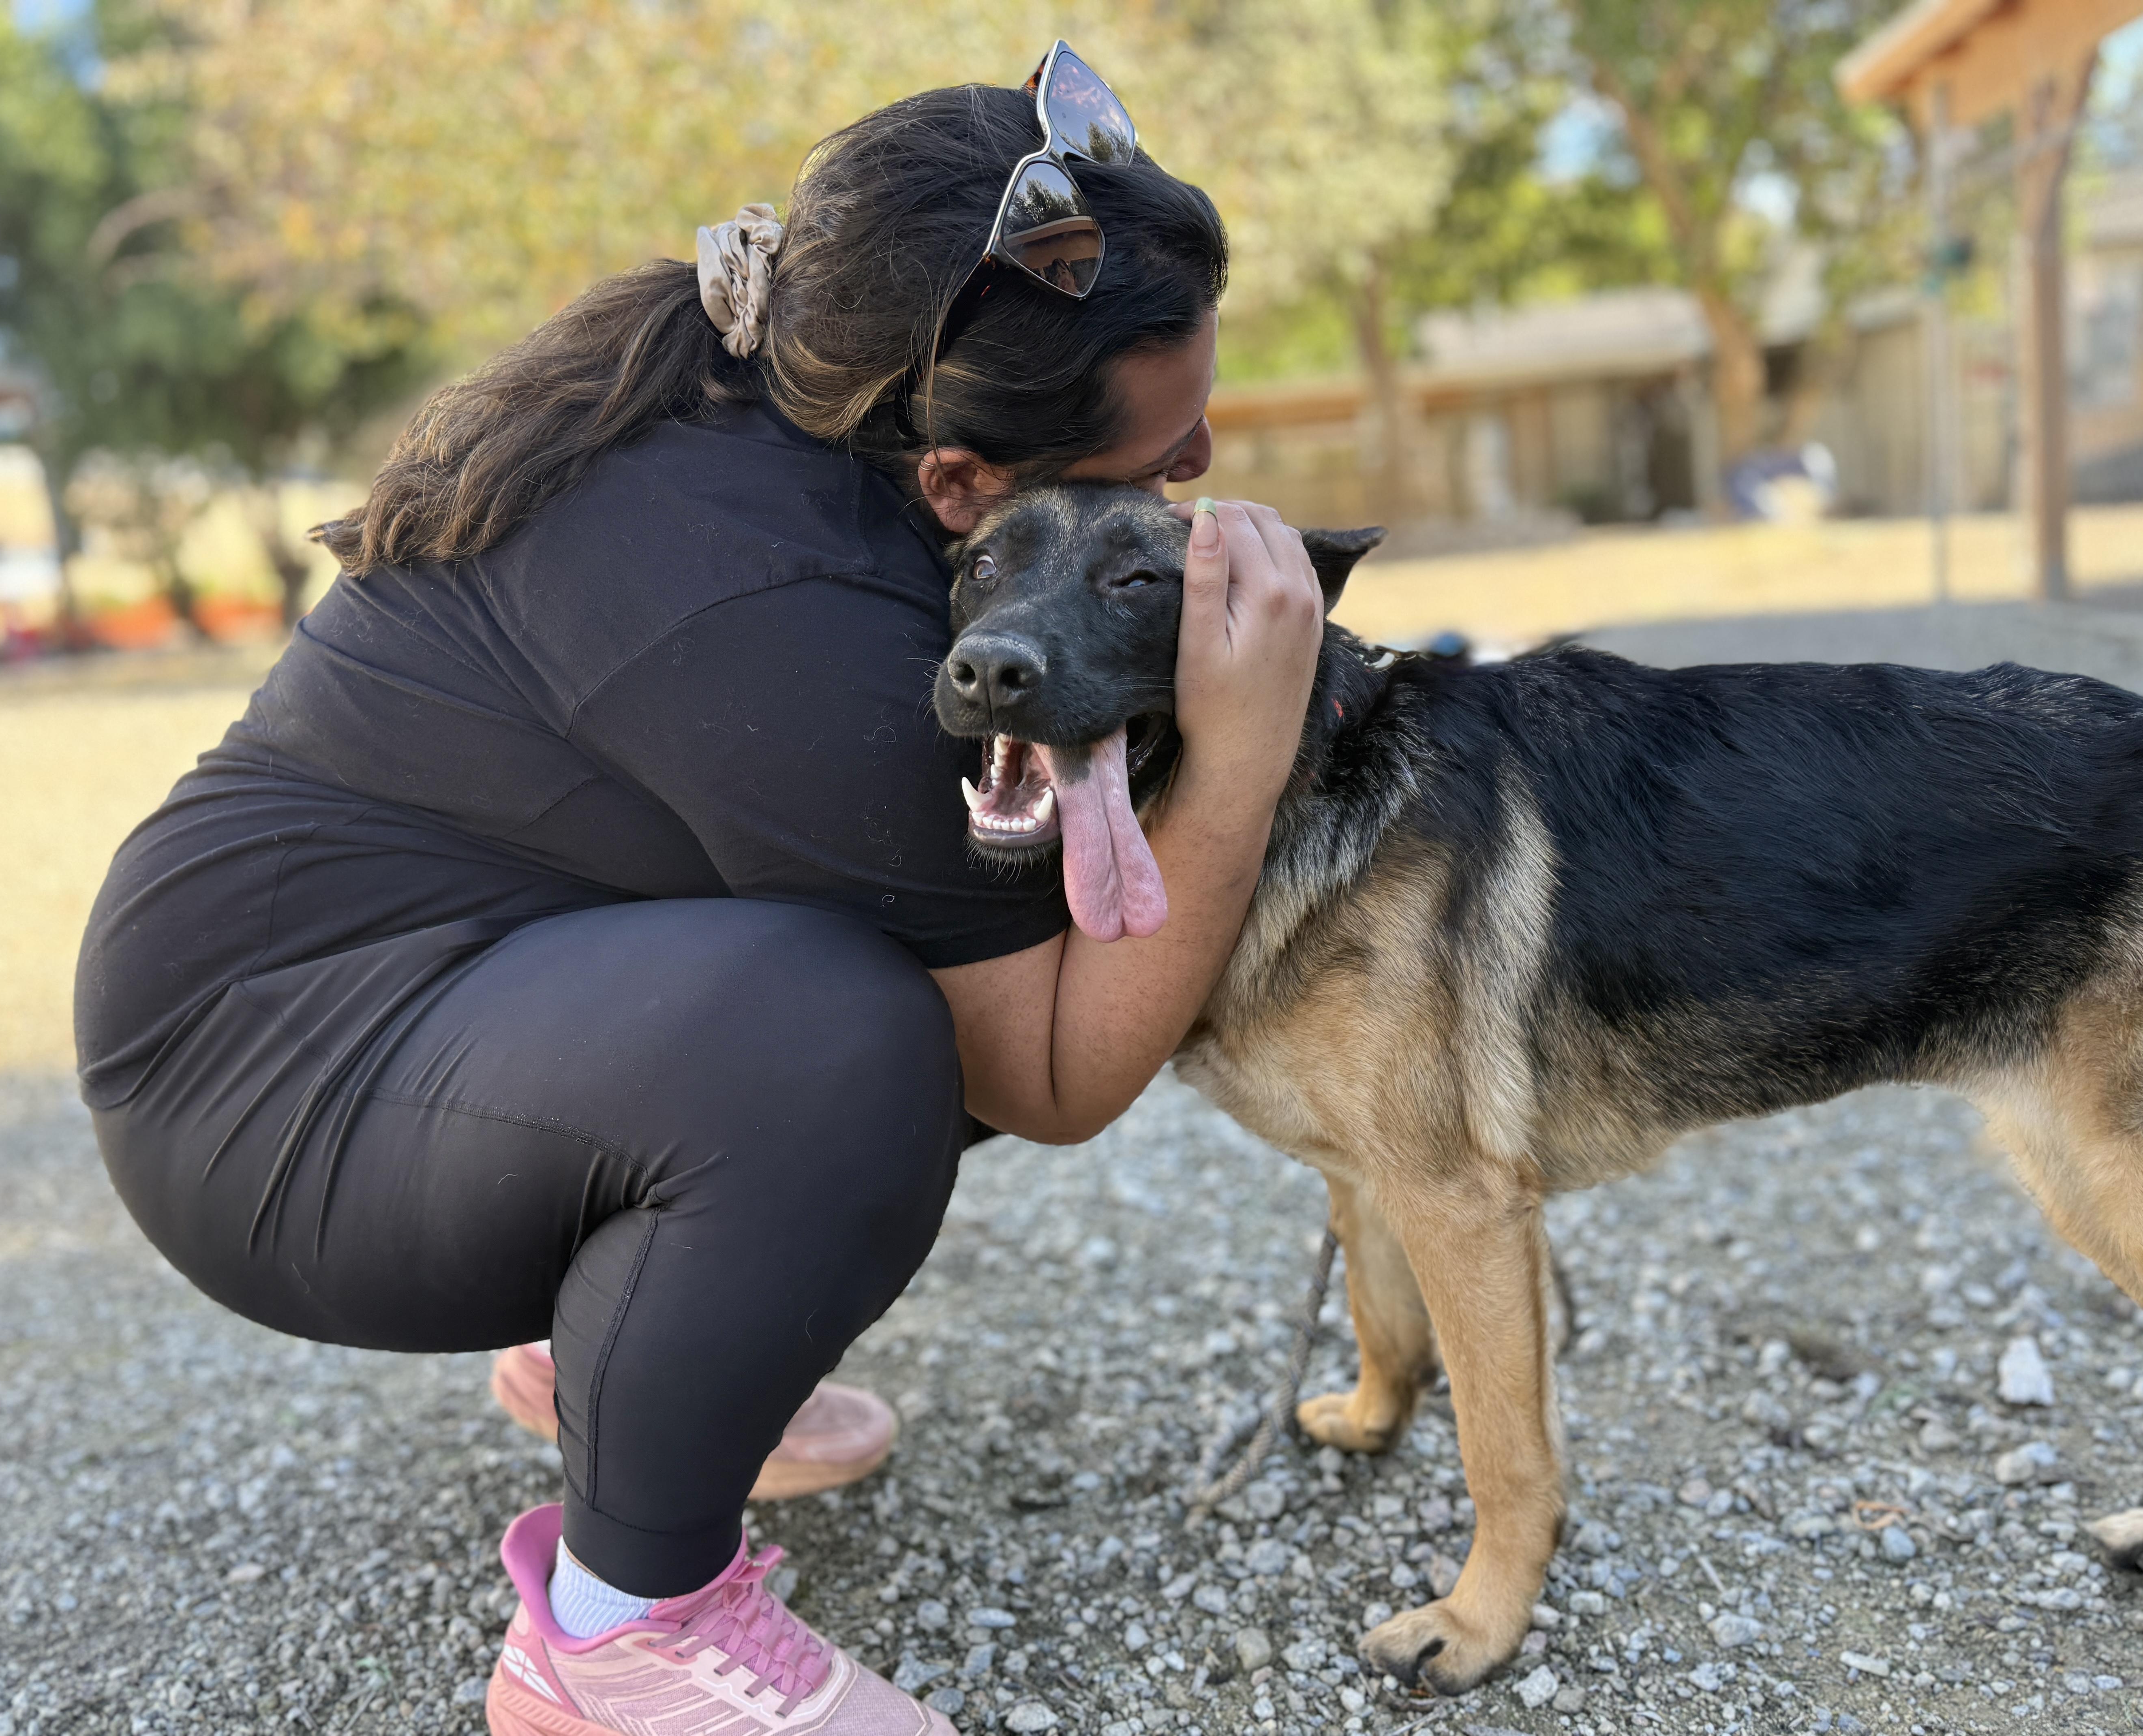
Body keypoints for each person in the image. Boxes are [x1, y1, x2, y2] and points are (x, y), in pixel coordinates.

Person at [75, 46, 1324, 1736]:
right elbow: (1053, 1072)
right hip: (265, 1092)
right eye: (1166, 464)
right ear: (959, 479)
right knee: (853, 1037)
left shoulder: (789, 426)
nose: (1196, 482)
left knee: (928, 932)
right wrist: (1244, 754)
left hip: (420, 997)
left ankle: (636, 1364)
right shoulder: (779, 602)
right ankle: (615, 1637)